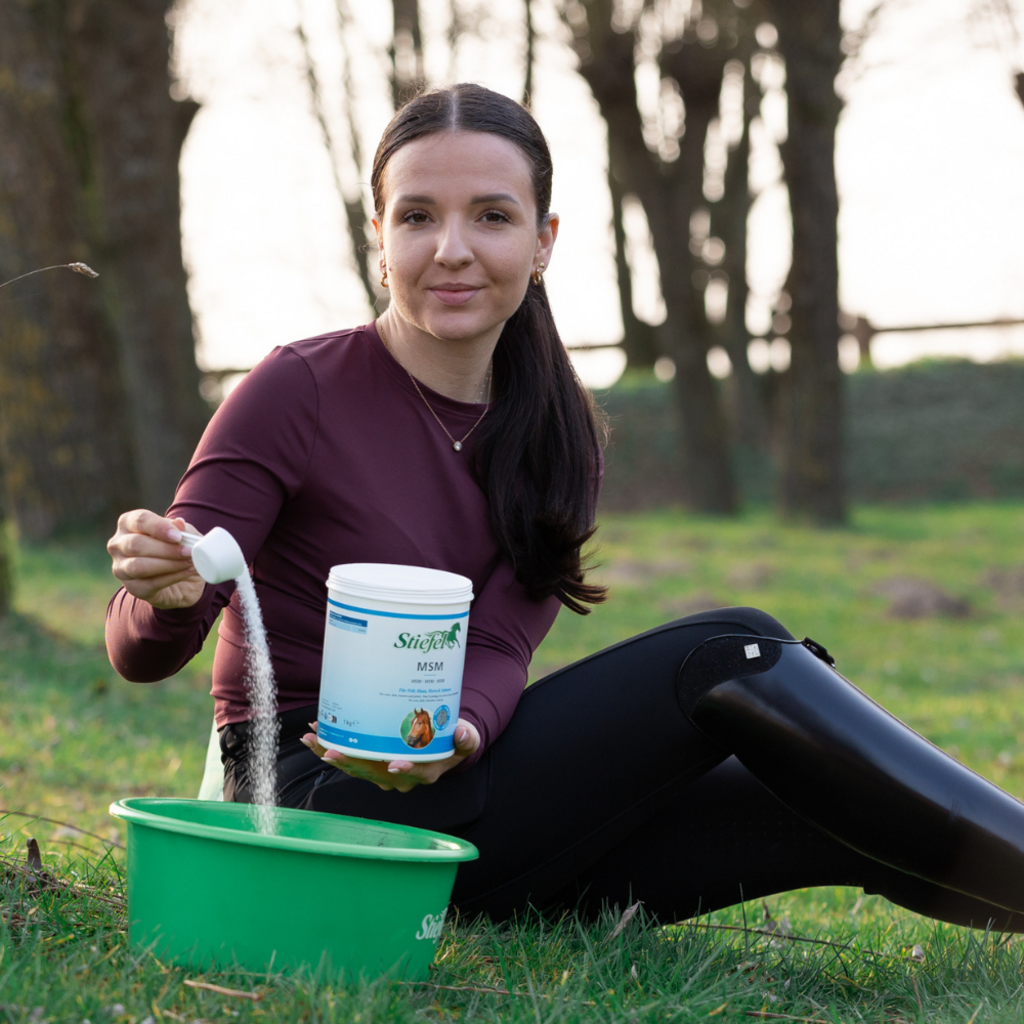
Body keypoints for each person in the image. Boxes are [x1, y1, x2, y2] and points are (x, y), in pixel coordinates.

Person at [107, 83, 1024, 931]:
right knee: (731, 651)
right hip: (312, 805)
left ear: (543, 240)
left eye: (492, 216)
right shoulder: (294, 390)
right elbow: (142, 651)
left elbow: (501, 646)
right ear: (379, 234)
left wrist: (460, 733)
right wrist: (168, 596)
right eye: (418, 216)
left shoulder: (556, 431)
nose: (452, 248)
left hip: (463, 804)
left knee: (814, 790)